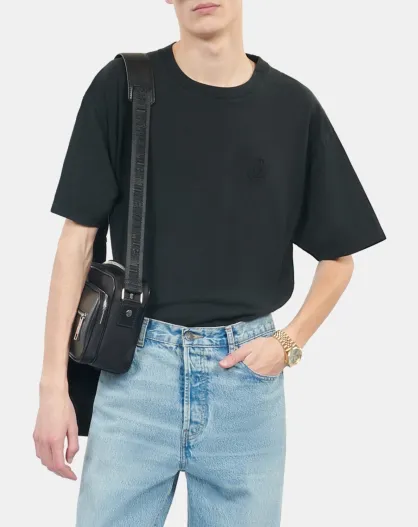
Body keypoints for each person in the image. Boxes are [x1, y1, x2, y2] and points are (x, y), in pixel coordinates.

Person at [33, 1, 386, 525]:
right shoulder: (123, 86)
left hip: (246, 384)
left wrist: (288, 343)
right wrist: (52, 387)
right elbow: (76, 243)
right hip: (136, 372)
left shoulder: (293, 107)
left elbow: (339, 258)